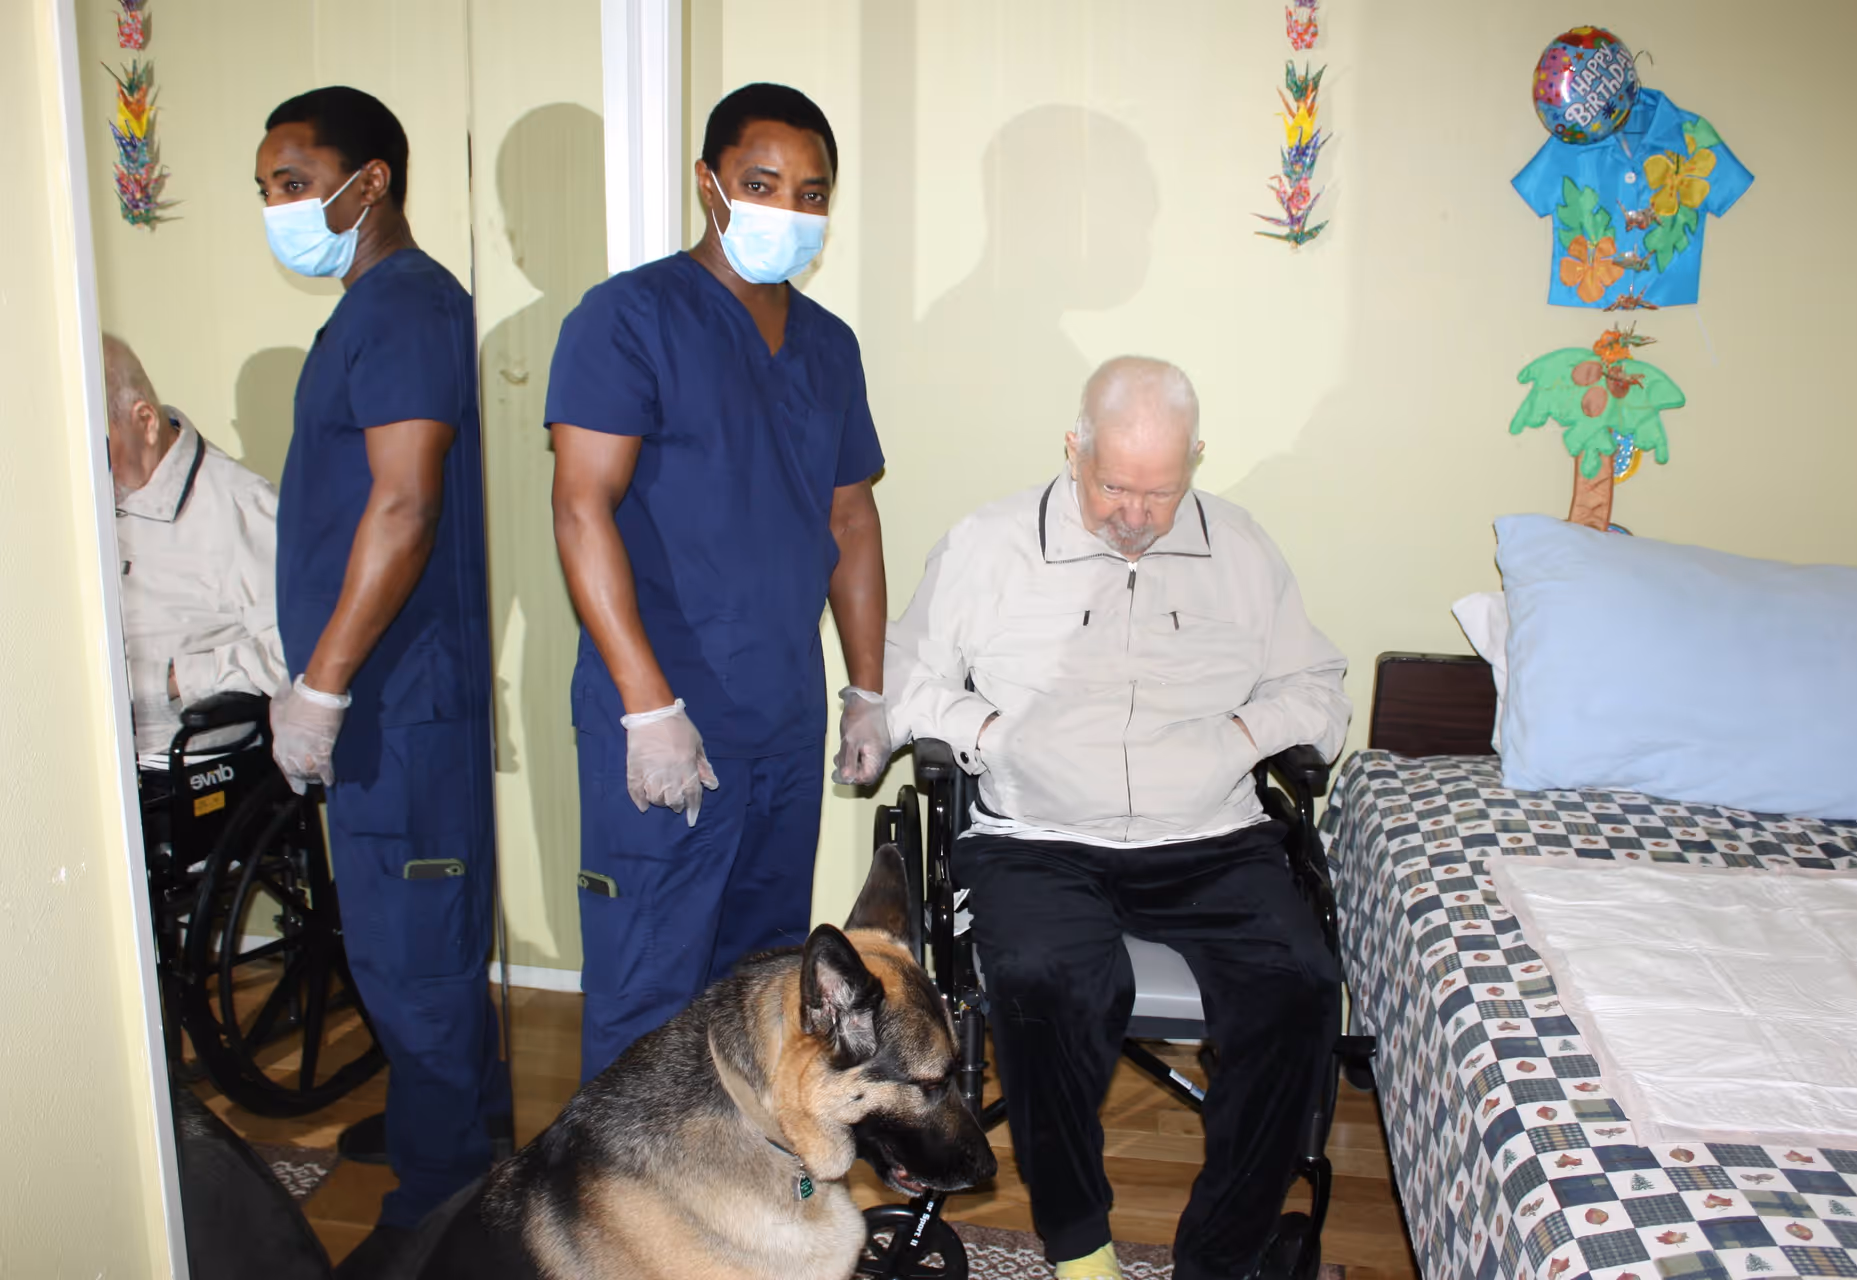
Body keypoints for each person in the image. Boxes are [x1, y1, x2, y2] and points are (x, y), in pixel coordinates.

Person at [886, 357, 1352, 1280]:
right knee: (1050, 982)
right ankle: (1082, 1249)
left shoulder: (1243, 548)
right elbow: (905, 683)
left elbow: (1319, 690)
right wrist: (990, 731)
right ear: (1074, 449)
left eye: (1161, 493)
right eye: (1114, 487)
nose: (1136, 516)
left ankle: (1219, 1255)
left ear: (1197, 462)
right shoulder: (989, 544)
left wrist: (1244, 732)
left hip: (1209, 834)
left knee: (1297, 983)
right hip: (1040, 836)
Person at [545, 82, 890, 1083]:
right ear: (709, 183)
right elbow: (581, 508)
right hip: (668, 713)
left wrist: (865, 688)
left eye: (812, 192)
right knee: (652, 985)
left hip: (778, 716)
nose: (790, 209)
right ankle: (619, 1222)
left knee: (766, 978)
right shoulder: (626, 320)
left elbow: (850, 516)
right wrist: (647, 706)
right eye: (761, 183)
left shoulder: (829, 347)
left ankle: (734, 1201)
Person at [253, 86, 507, 1269]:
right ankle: (443, 1120)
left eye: (295, 182)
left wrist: (326, 682)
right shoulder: (367, 308)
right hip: (372, 697)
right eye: (268, 188)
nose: (280, 206)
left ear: (372, 182)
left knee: (418, 950)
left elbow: (403, 506)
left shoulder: (408, 306)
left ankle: (447, 1197)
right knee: (399, 939)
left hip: (396, 700)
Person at [103, 334, 286, 762]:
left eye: (100, 445)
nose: (91, 466)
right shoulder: (90, 507)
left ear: (146, 422)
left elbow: (302, 655)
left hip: (197, 770)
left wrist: (173, 680)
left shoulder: (243, 509)